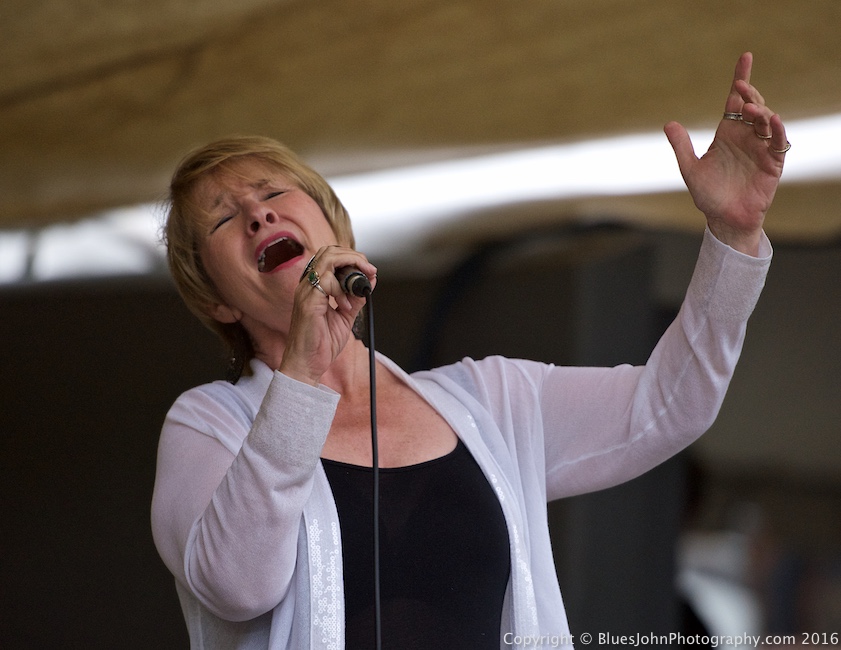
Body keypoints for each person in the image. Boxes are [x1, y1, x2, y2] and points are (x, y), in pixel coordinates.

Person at [151, 52, 788, 649]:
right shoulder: (207, 425)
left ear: (334, 227)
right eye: (223, 219)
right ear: (217, 302)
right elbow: (238, 587)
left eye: (271, 193)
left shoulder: (493, 400)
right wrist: (302, 372)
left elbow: (667, 406)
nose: (257, 215)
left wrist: (732, 235)